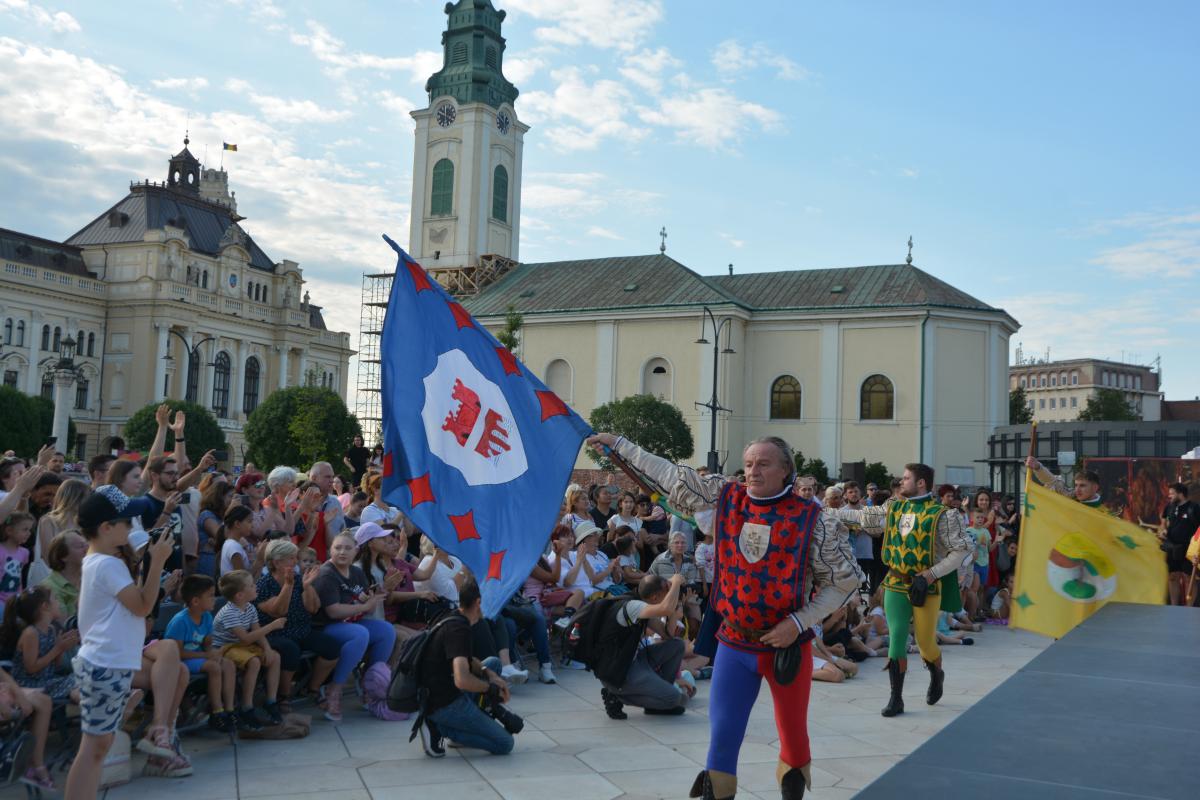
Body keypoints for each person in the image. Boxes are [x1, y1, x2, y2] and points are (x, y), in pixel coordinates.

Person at [587, 431, 873, 800]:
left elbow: (844, 583)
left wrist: (799, 622)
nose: (752, 471)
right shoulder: (726, 497)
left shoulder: (814, 520)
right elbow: (673, 474)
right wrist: (620, 445)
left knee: (794, 739)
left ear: (786, 470)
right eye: (749, 463)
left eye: (763, 463)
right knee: (722, 737)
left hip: (786, 648)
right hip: (734, 644)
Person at [66, 486, 189, 798]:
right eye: (127, 522)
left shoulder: (101, 560)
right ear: (107, 528)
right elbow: (144, 606)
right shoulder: (107, 564)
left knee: (98, 746)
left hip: (109, 662)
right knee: (94, 749)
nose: (132, 527)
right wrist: (157, 560)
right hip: (105, 664)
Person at [878, 463, 973, 719]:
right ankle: (896, 698)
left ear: (921, 483)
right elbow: (865, 517)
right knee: (897, 635)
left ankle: (936, 673)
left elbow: (963, 550)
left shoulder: (943, 514)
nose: (901, 480)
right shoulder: (894, 507)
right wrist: (825, 512)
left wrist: (931, 574)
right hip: (896, 582)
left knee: (925, 642)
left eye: (906, 477)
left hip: (926, 587)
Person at [416, 575, 516, 758]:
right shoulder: (458, 630)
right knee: (505, 743)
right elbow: (462, 680)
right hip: (443, 703)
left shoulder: (456, 617)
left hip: (438, 689)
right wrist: (491, 689)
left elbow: (468, 660)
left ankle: (458, 725)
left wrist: (490, 674)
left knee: (492, 663)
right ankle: (439, 727)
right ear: (478, 602)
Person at [311, 532, 396, 721]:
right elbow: (333, 611)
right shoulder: (327, 574)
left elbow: (362, 599)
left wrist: (374, 596)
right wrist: (365, 605)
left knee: (386, 631)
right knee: (360, 634)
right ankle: (335, 688)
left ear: (356, 551)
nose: (342, 552)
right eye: (337, 548)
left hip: (349, 622)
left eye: (347, 548)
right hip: (325, 625)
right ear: (330, 550)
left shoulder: (356, 573)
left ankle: (371, 685)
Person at [254, 539, 340, 713]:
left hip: (301, 629)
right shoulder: (264, 585)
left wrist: (307, 587)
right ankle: (283, 696)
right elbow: (279, 612)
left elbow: (313, 608)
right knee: (290, 649)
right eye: (291, 558)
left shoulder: (300, 578)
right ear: (277, 562)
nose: (295, 562)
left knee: (332, 647)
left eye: (295, 558)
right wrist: (288, 586)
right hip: (275, 633)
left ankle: (313, 688)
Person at [597, 573, 693, 720]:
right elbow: (665, 609)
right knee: (676, 699)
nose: (669, 597)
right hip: (620, 671)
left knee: (677, 645)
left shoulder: (643, 605)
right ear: (654, 598)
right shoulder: (632, 606)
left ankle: (656, 701)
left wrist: (677, 604)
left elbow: (667, 635)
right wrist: (675, 584)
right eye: (665, 594)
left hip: (635, 660)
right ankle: (616, 695)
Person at [165, 574, 241, 732]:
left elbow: (207, 644)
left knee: (227, 664)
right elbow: (176, 653)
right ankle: (217, 712)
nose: (214, 599)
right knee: (213, 668)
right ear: (195, 601)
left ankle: (229, 710)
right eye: (210, 596)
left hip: (199, 658)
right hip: (182, 661)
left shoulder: (206, 616)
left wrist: (213, 653)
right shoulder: (180, 621)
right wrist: (206, 656)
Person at [212, 570, 285, 727]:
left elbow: (256, 631)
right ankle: (247, 707)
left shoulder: (250, 607)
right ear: (239, 595)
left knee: (275, 657)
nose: (255, 587)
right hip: (225, 647)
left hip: (242, 645)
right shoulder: (229, 612)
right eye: (251, 585)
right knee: (254, 662)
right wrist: (272, 626)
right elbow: (245, 638)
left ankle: (271, 701)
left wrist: (266, 648)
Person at [3, 585, 79, 704]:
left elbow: (55, 665)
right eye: (55, 599)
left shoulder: (51, 629)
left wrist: (63, 648)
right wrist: (57, 649)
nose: (58, 603)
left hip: (48, 679)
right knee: (78, 686)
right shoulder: (31, 633)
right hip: (30, 683)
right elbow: (31, 668)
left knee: (82, 678)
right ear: (45, 606)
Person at [31, 478, 88, 586]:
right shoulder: (48, 521)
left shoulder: (84, 522)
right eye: (86, 497)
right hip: (52, 581)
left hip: (77, 580)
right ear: (76, 498)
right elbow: (50, 557)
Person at [1157, 483, 1199, 606]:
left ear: (1180, 494)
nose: (1169, 496)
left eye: (1172, 493)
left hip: (1189, 549)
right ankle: (1174, 607)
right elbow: (1163, 522)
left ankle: (1189, 608)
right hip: (1172, 547)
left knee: (1188, 578)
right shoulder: (1169, 507)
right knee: (1172, 576)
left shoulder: (1194, 507)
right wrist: (1163, 530)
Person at [301, 461, 346, 562]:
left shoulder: (335, 503)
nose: (332, 481)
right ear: (313, 478)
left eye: (332, 477)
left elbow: (342, 531)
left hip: (332, 562)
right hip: (306, 565)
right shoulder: (299, 505)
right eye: (327, 477)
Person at [40, 530, 87, 618]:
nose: (87, 549)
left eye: (86, 544)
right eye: (80, 546)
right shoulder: (49, 587)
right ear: (63, 556)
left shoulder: (91, 578)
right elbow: (63, 625)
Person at [1025, 457, 1104, 508]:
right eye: (1076, 485)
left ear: (1095, 487)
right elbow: (1052, 482)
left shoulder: (1106, 515)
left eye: (1082, 486)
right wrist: (1037, 467)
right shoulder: (1069, 496)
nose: (1077, 489)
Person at [0, 511, 33, 610]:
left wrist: (20, 595)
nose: (29, 533)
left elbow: (19, 576)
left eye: (30, 530)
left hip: (14, 600)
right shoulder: (1, 551)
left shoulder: (25, 552)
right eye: (25, 530)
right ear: (9, 530)